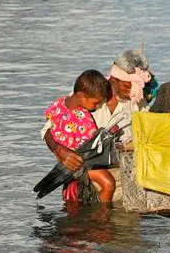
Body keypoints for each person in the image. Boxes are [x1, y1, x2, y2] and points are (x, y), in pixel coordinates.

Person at [40, 70, 116, 203]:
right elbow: (92, 142)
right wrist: (109, 133)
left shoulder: (59, 104)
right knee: (109, 184)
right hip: (80, 163)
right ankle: (103, 215)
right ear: (81, 96)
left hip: (64, 164)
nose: (98, 106)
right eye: (96, 103)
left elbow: (49, 120)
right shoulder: (83, 117)